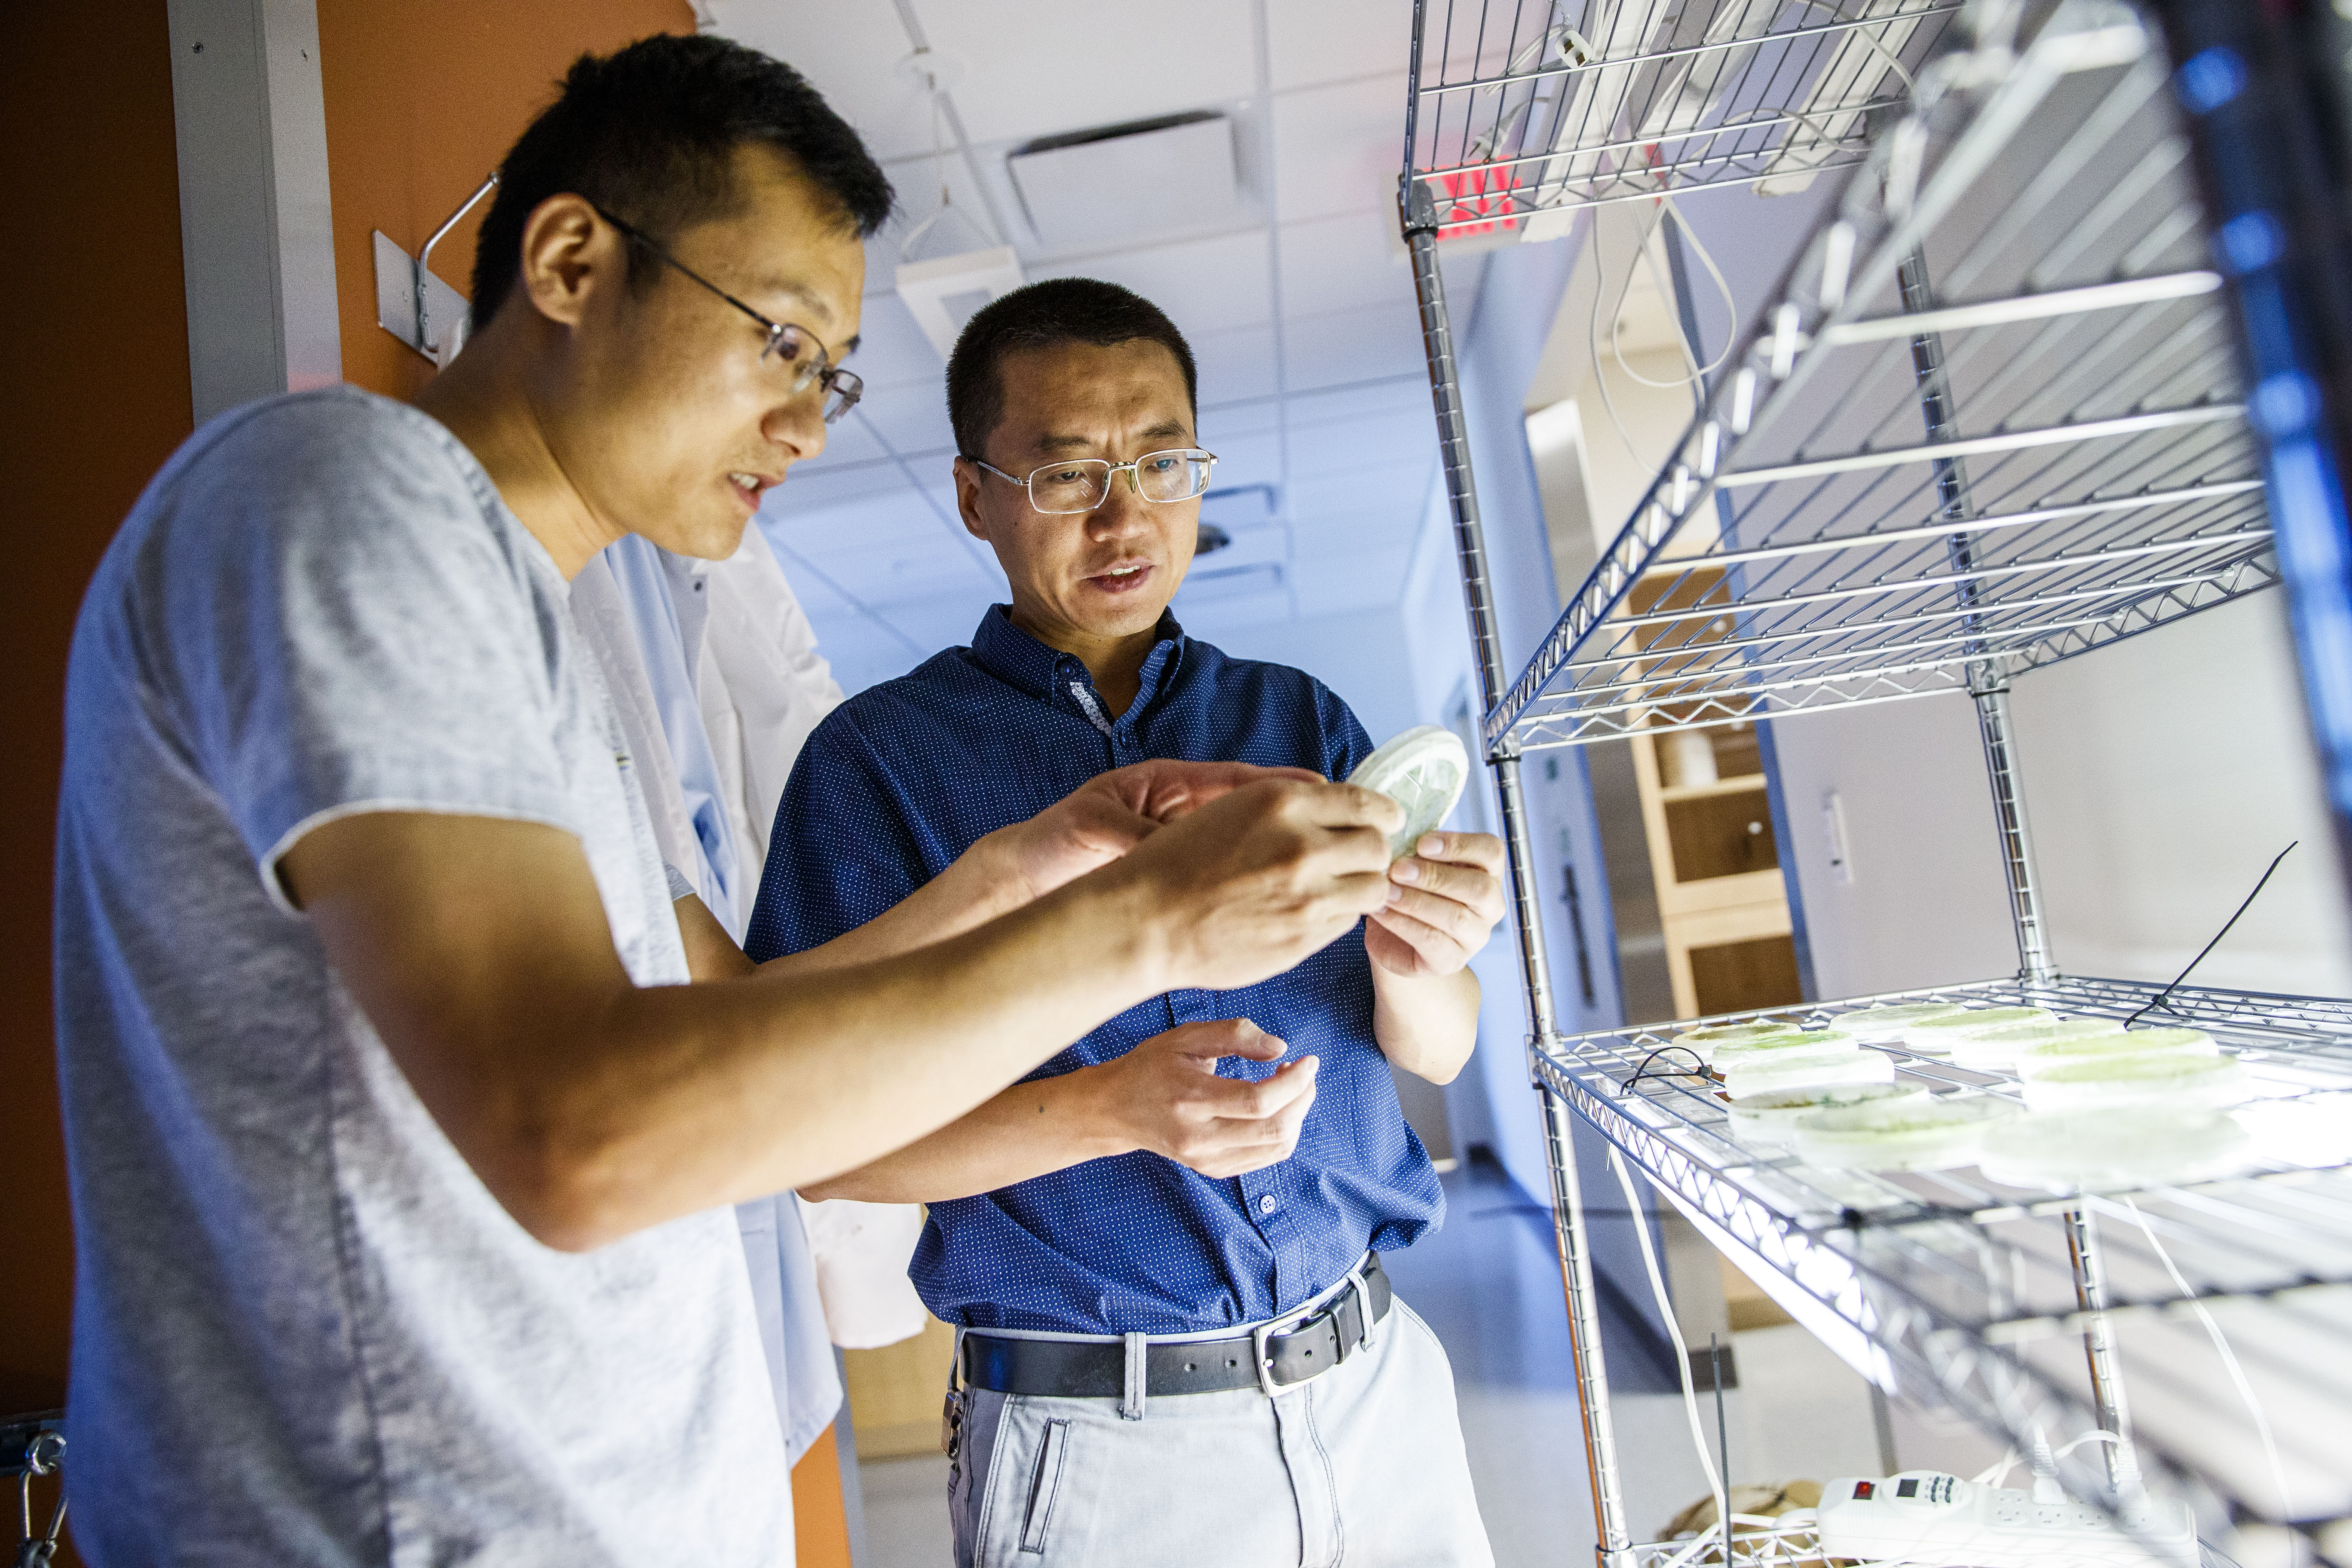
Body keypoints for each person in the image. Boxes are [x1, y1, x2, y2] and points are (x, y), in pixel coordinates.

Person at [52, 39, 1404, 1565]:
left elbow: (735, 1013)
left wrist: (1039, 862)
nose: (812, 424)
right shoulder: (348, 501)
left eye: (832, 375)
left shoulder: (550, 639)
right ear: (572, 262)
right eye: (781, 343)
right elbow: (582, 1131)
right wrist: (1144, 930)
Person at [746, 278, 1507, 1568]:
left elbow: (1433, 1049)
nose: (1125, 514)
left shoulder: (1295, 726)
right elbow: (806, 1143)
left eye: (1161, 460)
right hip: (1102, 1446)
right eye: (1066, 476)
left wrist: (1425, 956)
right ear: (976, 494)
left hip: (1379, 1389)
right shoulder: (877, 765)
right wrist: (1111, 1109)